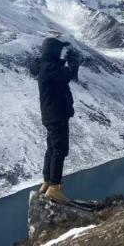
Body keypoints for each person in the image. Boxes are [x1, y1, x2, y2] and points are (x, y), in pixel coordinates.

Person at [36, 36, 80, 203]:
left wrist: (69, 63)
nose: (61, 53)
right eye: (59, 50)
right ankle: (54, 188)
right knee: (60, 150)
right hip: (57, 115)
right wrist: (74, 62)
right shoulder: (50, 68)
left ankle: (47, 182)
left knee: (52, 149)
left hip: (50, 115)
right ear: (54, 51)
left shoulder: (45, 66)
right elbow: (69, 75)